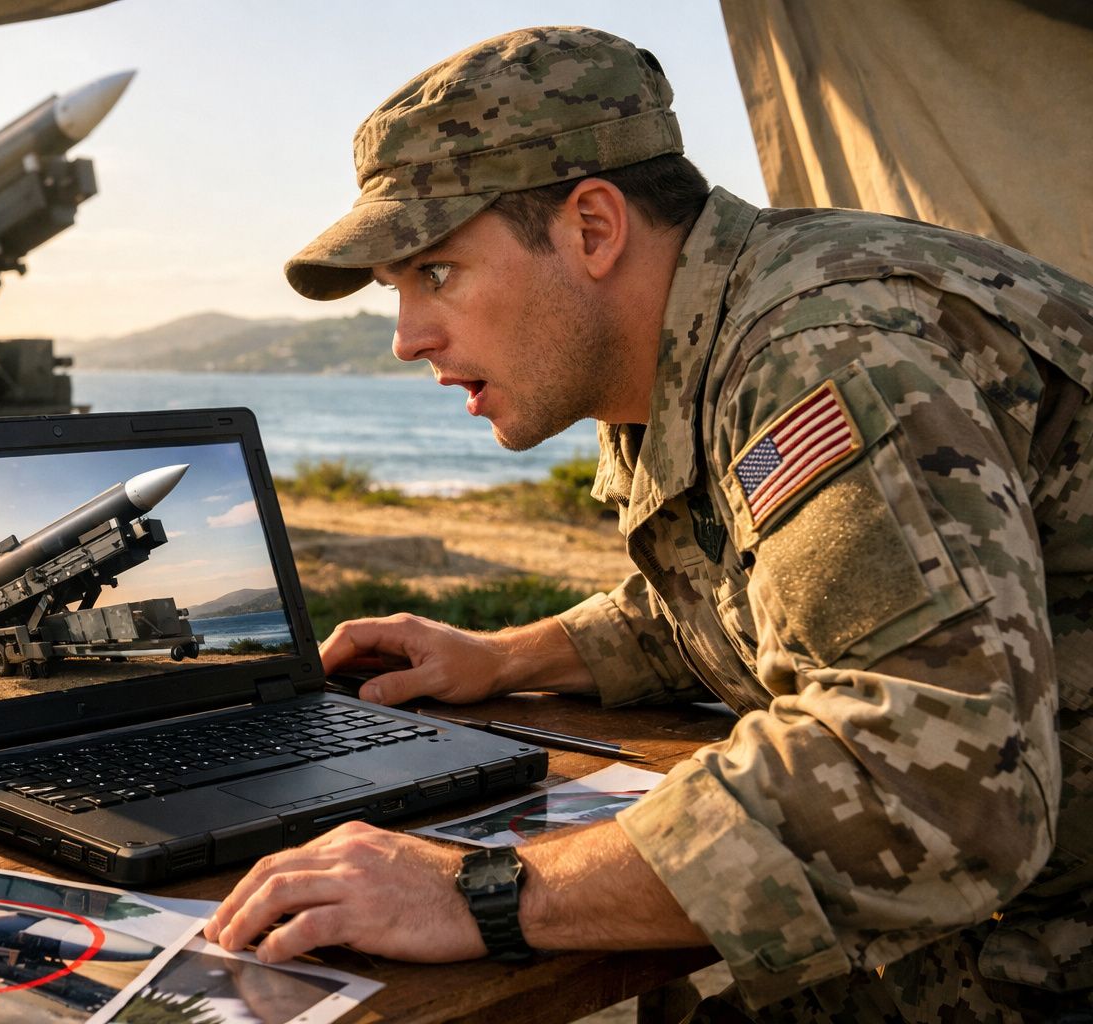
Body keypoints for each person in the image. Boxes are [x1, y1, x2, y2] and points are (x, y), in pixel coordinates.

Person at [200, 26, 1093, 1021]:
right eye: (395, 290)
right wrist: (507, 655)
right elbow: (761, 589)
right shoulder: (691, 348)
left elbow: (933, 784)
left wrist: (477, 892)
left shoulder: (824, 350)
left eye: (436, 273)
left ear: (593, 229)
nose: (408, 337)